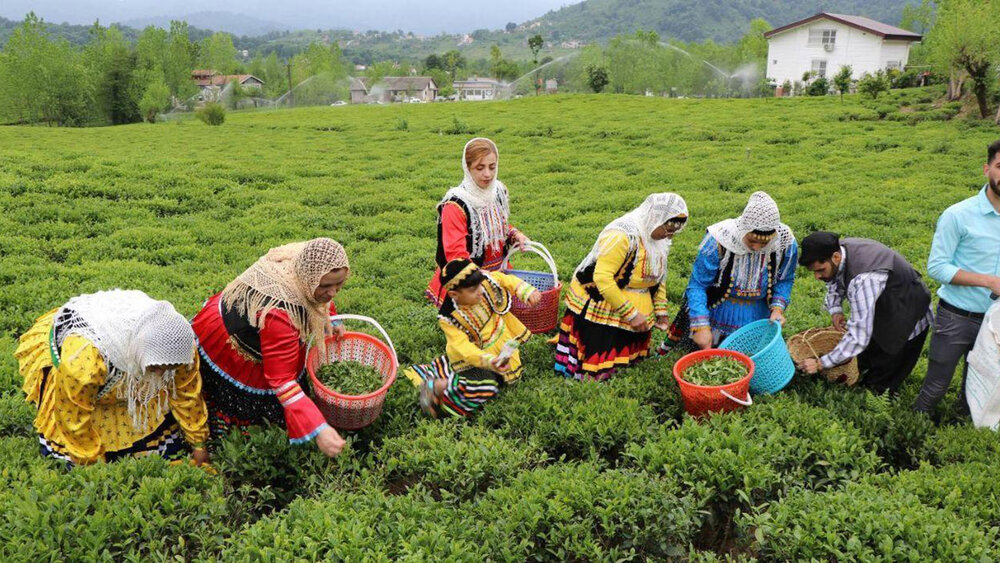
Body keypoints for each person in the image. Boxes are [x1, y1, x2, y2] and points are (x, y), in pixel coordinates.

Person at [191, 238, 349, 457]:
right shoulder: (279, 316)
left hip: (253, 317)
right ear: (309, 280)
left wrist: (331, 318)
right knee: (261, 395)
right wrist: (319, 428)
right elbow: (282, 380)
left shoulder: (305, 258)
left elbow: (318, 300)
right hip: (234, 338)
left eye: (339, 284)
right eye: (325, 287)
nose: (332, 292)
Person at [14, 290, 209, 467]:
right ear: (138, 352)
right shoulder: (84, 359)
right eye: (156, 368)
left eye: (167, 371)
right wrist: (93, 464)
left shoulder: (180, 348)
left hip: (123, 361)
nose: (159, 377)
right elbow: (73, 414)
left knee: (161, 448)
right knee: (70, 459)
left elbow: (186, 392)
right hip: (78, 379)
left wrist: (198, 443)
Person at [555, 193, 688, 381]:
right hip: (603, 299)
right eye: (666, 230)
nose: (669, 236)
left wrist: (661, 310)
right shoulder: (623, 235)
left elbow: (658, 275)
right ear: (654, 218)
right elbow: (602, 278)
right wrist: (631, 314)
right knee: (601, 358)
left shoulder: (659, 239)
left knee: (627, 365)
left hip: (635, 298)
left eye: (673, 231)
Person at [914, 140, 1000, 417]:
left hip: (995, 321)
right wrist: (988, 281)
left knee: (980, 384)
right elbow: (937, 268)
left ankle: (963, 432)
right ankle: (917, 425)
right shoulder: (958, 215)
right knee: (937, 384)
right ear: (987, 169)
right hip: (956, 317)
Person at [797, 232, 933, 395]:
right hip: (884, 308)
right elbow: (833, 280)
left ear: (835, 257)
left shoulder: (864, 279)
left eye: (820, 270)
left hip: (908, 314)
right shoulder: (839, 251)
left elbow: (859, 336)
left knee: (880, 385)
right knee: (867, 358)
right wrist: (835, 310)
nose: (817, 276)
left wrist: (821, 363)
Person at [663, 191, 797, 351]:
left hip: (758, 316)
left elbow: (785, 279)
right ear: (743, 230)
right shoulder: (719, 240)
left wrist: (777, 309)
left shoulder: (784, 243)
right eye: (751, 241)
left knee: (750, 362)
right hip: (716, 310)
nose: (756, 247)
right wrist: (701, 325)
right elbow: (698, 285)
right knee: (708, 359)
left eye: (764, 244)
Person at [406, 259, 539, 417]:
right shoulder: (449, 319)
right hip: (475, 357)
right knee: (487, 385)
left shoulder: (484, 284)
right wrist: (489, 361)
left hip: (496, 342)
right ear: (454, 294)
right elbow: (464, 348)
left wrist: (525, 291)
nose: (481, 291)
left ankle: (447, 374)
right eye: (472, 289)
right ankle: (437, 387)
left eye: (480, 285)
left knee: (502, 374)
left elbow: (504, 279)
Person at [426, 137, 530, 306]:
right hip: (468, 282)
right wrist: (482, 281)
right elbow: (456, 255)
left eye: (492, 167)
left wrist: (513, 234)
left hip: (499, 270)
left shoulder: (498, 191)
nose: (487, 174)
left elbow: (497, 225)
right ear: (467, 168)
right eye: (479, 168)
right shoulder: (455, 204)